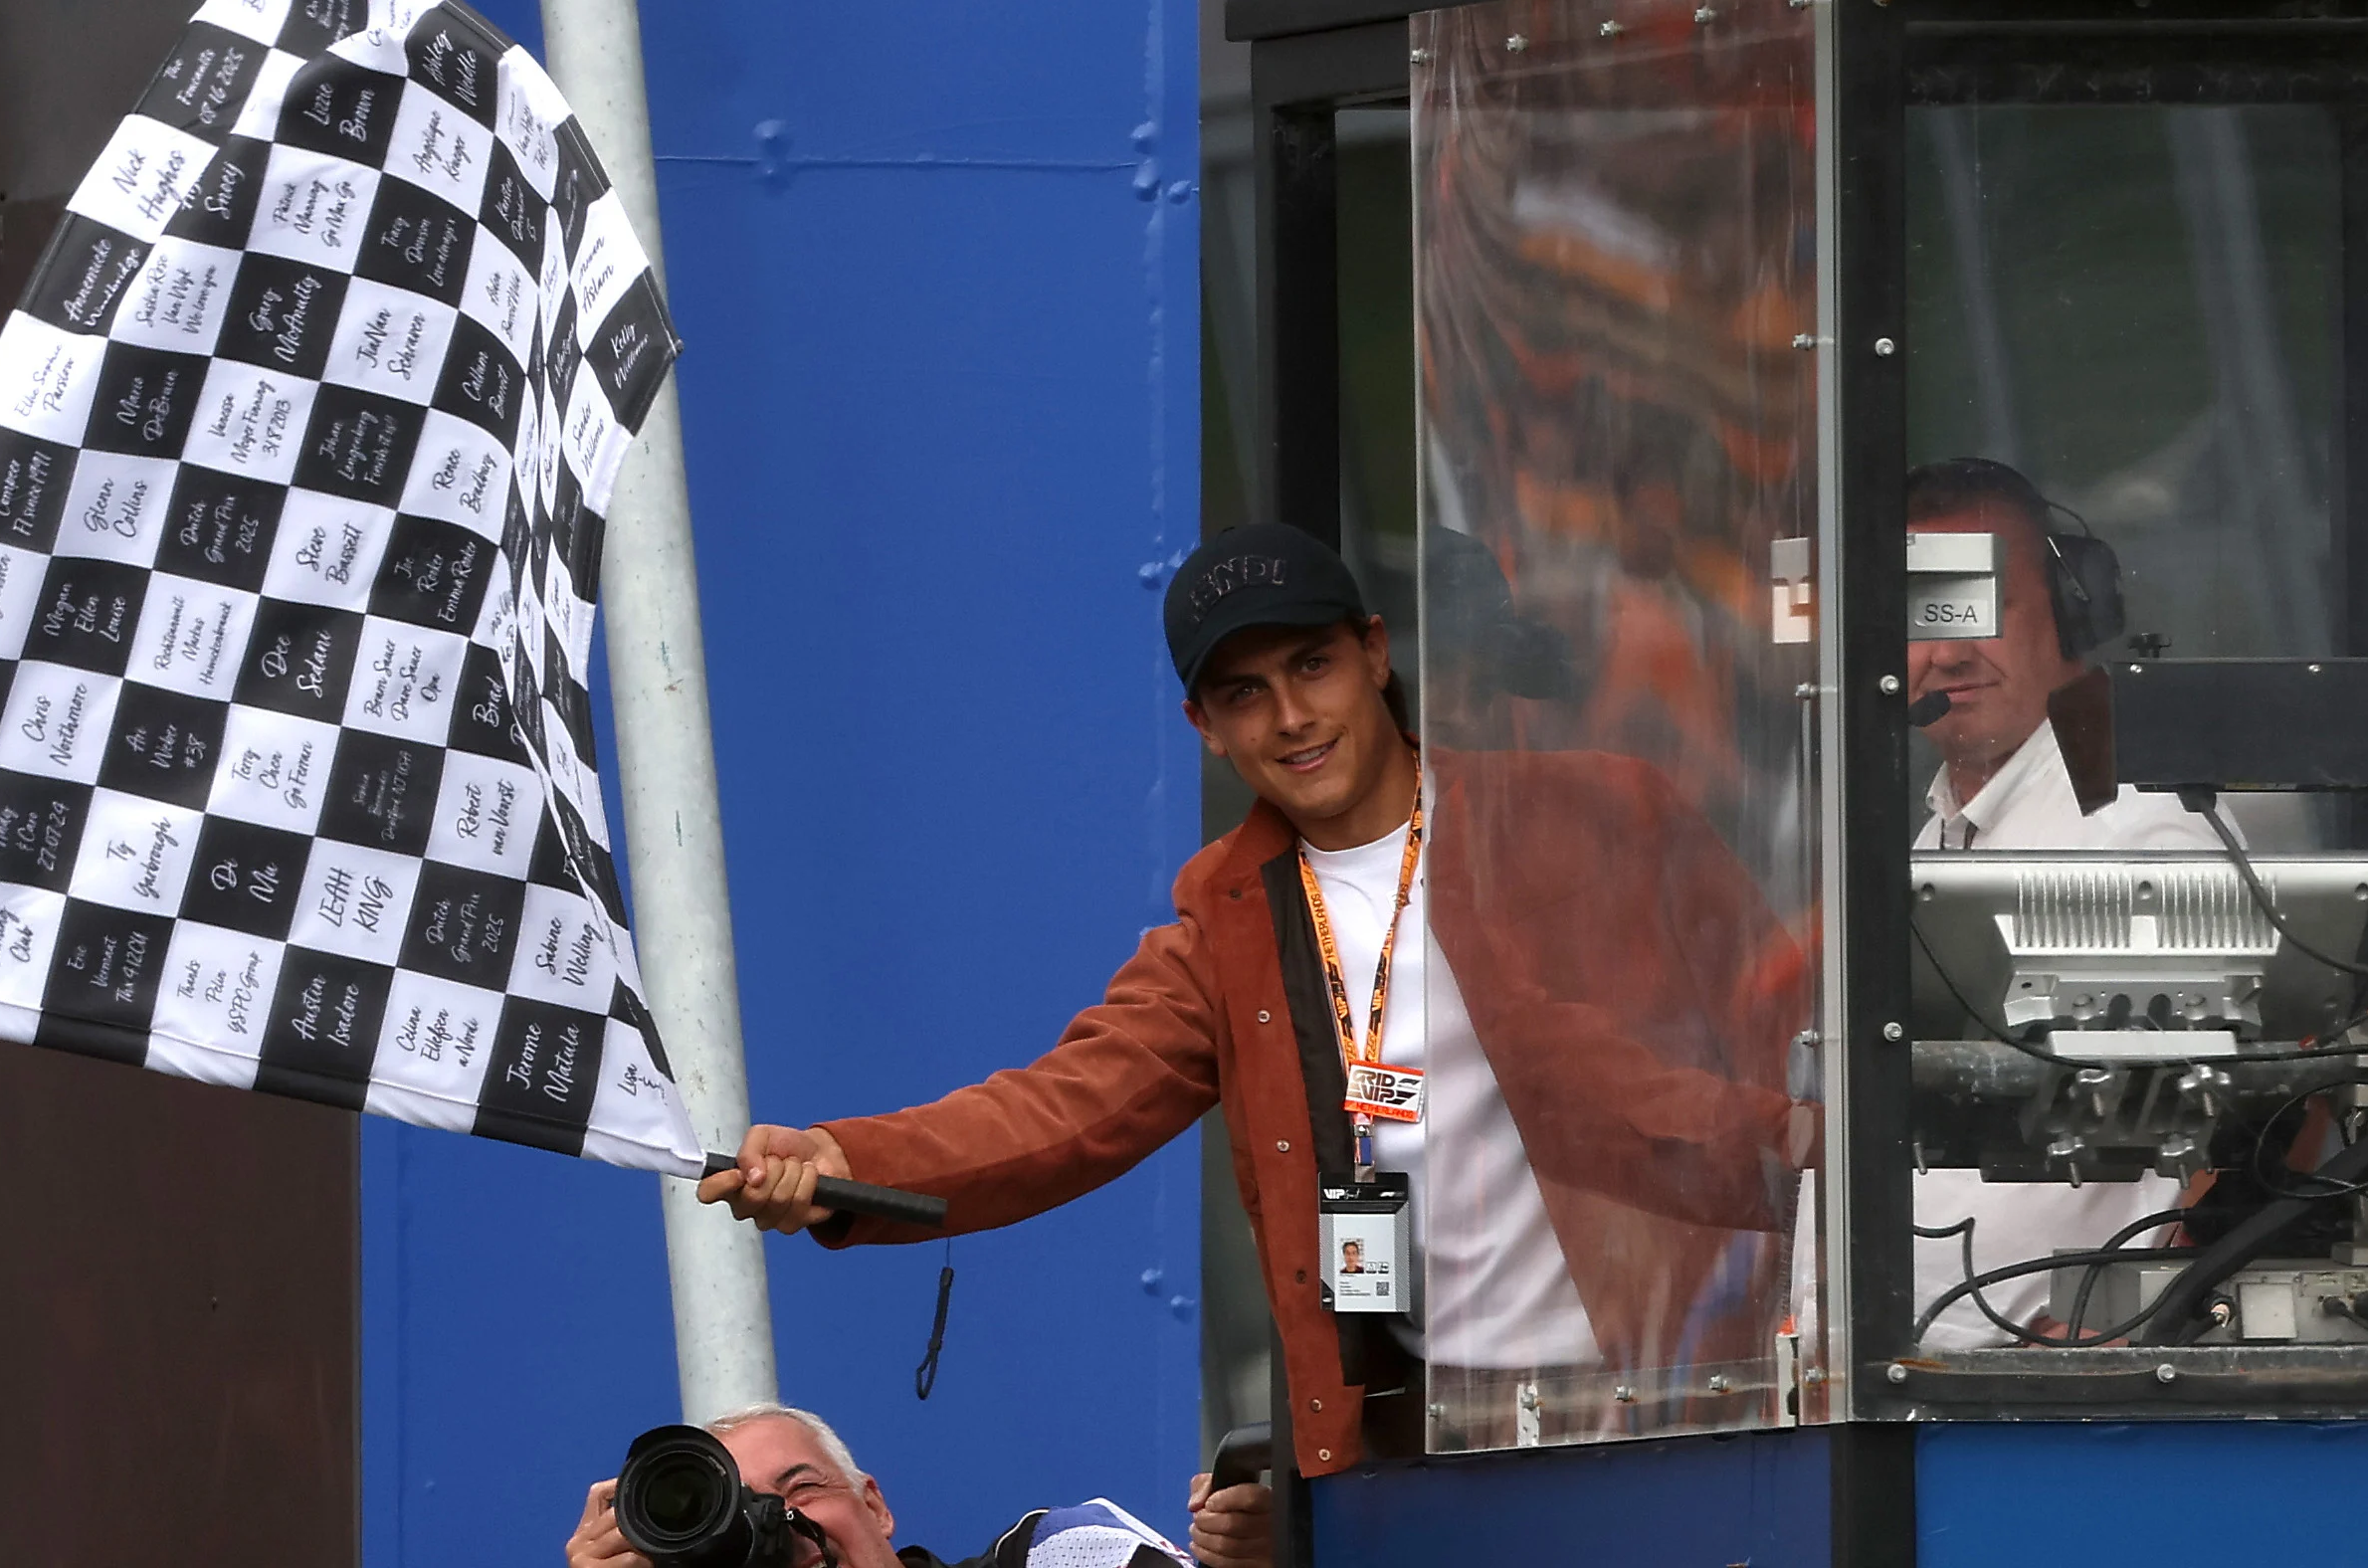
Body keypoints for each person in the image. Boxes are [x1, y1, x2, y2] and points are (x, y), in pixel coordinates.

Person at [701, 524, 1814, 1471]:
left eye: (1312, 666)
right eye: (1246, 693)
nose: (1290, 715)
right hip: (1428, 1440)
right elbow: (1062, 1110)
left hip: (1682, 1403)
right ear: (1206, 725)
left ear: (1375, 654)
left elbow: (1790, 1047)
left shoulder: (1597, 812)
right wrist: (851, 1166)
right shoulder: (1226, 920)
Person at [1902, 457, 2234, 1345]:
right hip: (1917, 1384)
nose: (1949, 651)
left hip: (2036, 1404)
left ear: (2072, 606)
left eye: (1981, 609)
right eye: (1921, 615)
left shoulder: (2136, 822)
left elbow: (2222, 1123)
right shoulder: (1946, 827)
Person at [562, 1402, 1214, 1568]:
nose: (782, 1529)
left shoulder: (1056, 1552)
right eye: (742, 1522)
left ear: (874, 1505)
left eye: (801, 1493)